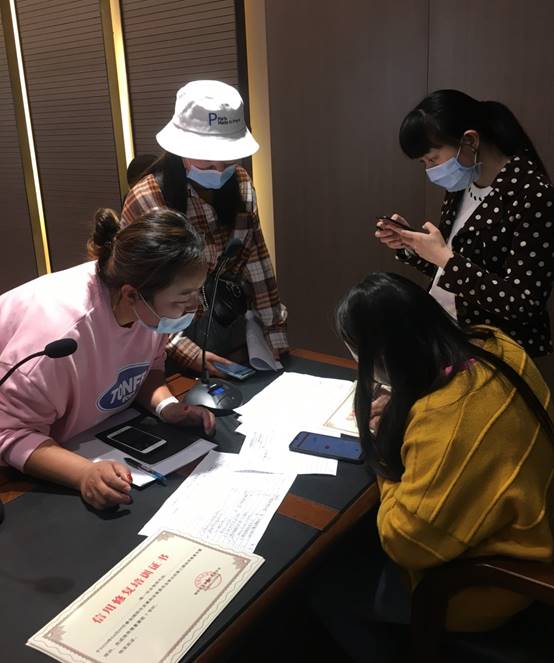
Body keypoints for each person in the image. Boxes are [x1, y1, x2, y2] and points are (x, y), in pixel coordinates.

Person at [311, 272, 554, 659]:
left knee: (324, 587)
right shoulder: (497, 345)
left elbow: (406, 544)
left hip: (484, 587)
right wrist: (403, 401)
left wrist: (386, 449)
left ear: (381, 358)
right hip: (534, 525)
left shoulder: (442, 422)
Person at [0, 207, 215, 511]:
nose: (194, 307)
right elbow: (10, 433)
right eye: (183, 298)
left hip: (90, 437)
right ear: (131, 295)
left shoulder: (146, 307)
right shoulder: (58, 338)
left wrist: (166, 406)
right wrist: (84, 474)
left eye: (197, 293)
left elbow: (146, 367)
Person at [121, 80, 288, 377]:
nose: (220, 169)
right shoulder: (148, 198)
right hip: (166, 338)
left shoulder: (240, 182)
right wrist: (190, 354)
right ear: (180, 149)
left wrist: (274, 335)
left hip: (228, 327)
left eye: (227, 159)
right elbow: (142, 295)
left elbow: (257, 263)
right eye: (209, 161)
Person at [376, 89, 554, 359]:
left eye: (433, 159)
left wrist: (444, 258)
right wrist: (411, 244)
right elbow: (454, 270)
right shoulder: (465, 181)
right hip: (450, 334)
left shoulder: (533, 194)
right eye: (424, 163)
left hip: (497, 350)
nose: (430, 170)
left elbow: (523, 303)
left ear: (470, 140)